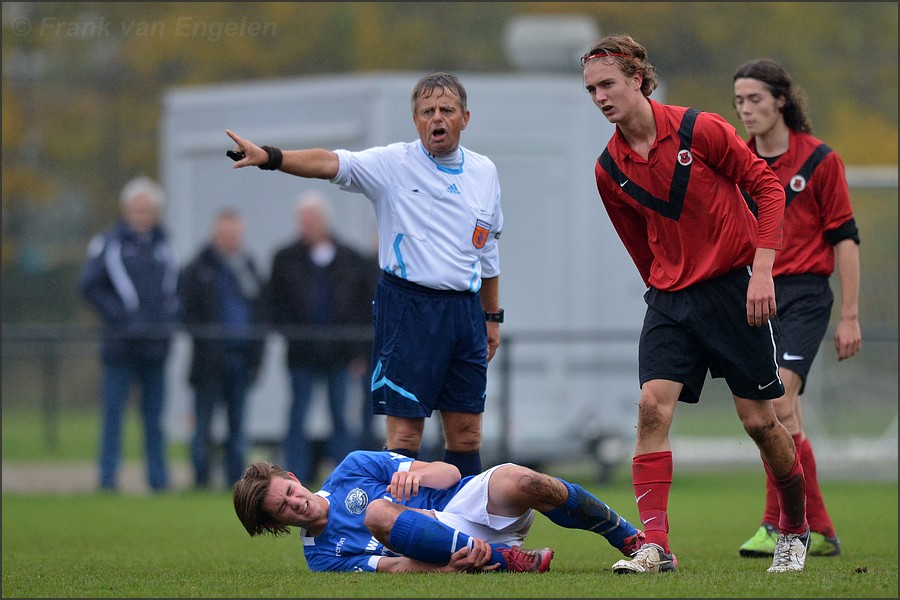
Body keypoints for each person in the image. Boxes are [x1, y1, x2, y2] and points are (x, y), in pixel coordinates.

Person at [580, 34, 809, 574]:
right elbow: (638, 244)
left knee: (759, 422)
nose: (600, 97)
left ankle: (795, 530)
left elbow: (769, 189)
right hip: (669, 300)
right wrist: (661, 289)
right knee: (650, 407)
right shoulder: (607, 169)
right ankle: (655, 547)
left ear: (637, 78)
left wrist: (762, 270)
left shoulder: (698, 129)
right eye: (591, 90)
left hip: (734, 290)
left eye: (608, 84)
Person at [225, 71, 504, 478]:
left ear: (465, 117)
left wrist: (491, 316)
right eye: (427, 111)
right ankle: (399, 532)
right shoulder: (393, 164)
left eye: (446, 110)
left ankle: (465, 531)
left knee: (466, 433)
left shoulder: (484, 172)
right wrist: (271, 157)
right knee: (405, 435)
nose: (436, 118)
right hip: (408, 308)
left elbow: (489, 250)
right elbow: (329, 162)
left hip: (464, 310)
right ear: (415, 121)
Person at [732, 58, 861, 559]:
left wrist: (850, 315)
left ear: (781, 100)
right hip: (757, 295)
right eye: (740, 101)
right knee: (788, 421)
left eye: (755, 99)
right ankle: (821, 528)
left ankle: (776, 524)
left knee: (778, 404)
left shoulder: (819, 160)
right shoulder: (739, 161)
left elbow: (846, 239)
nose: (746, 110)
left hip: (805, 294)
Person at [232, 450, 645, 573]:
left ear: (291, 476)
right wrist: (449, 568)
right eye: (282, 509)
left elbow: (450, 473)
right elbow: (394, 569)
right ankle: (507, 561)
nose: (295, 503)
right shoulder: (321, 557)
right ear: (277, 524)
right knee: (378, 514)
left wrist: (419, 475)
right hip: (446, 548)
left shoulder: (352, 467)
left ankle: (629, 537)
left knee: (528, 482)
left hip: (460, 503)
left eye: (288, 491)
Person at [79, 175, 180, 492]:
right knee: (113, 418)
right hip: (120, 348)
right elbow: (89, 286)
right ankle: (108, 480)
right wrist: (122, 318)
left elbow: (176, 291)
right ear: (126, 211)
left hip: (156, 347)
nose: (142, 216)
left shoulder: (166, 247)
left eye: (148, 210)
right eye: (137, 210)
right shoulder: (108, 243)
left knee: (154, 420)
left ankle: (159, 481)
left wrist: (167, 320)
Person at [269, 191, 374, 484]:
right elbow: (275, 303)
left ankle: (345, 477)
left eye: (312, 219)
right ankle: (295, 474)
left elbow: (363, 308)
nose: (307, 225)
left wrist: (358, 352)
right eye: (302, 220)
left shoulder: (351, 259)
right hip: (301, 353)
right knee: (297, 416)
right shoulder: (285, 258)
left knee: (341, 418)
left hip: (340, 355)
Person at [178, 208, 268, 489]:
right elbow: (186, 313)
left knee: (237, 428)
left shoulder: (250, 267)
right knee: (203, 427)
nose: (230, 240)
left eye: (235, 235)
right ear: (215, 235)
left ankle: (234, 483)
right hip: (208, 362)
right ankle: (201, 481)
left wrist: (257, 357)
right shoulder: (197, 268)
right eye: (225, 235)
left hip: (241, 360)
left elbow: (261, 313)